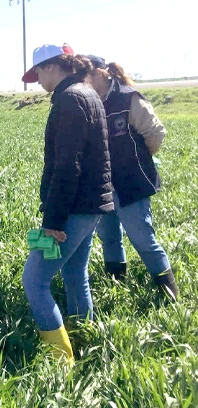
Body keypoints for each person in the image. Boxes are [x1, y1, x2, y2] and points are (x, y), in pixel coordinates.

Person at [20, 45, 114, 363]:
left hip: (73, 208)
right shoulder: (86, 93)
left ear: (50, 67)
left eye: (38, 75)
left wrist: (54, 221)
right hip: (91, 205)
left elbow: (67, 165)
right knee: (75, 272)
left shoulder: (69, 99)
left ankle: (62, 361)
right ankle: (85, 339)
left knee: (34, 280)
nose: (37, 82)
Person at [84, 55, 178, 301]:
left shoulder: (129, 98)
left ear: (101, 73)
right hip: (103, 185)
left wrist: (136, 160)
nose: (84, 80)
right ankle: (116, 285)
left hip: (131, 183)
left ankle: (169, 294)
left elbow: (155, 133)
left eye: (86, 74)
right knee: (109, 237)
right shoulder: (90, 102)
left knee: (142, 237)